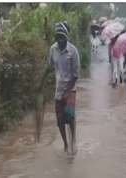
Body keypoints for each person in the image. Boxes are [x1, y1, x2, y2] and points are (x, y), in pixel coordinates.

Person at [49, 21, 80, 154]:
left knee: (70, 116)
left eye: (62, 37)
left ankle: (73, 141)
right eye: (58, 37)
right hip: (58, 90)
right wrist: (40, 83)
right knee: (60, 120)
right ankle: (65, 144)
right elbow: (49, 66)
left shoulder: (73, 51)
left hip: (71, 89)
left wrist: (68, 92)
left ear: (66, 37)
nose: (60, 40)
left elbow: (76, 75)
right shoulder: (52, 49)